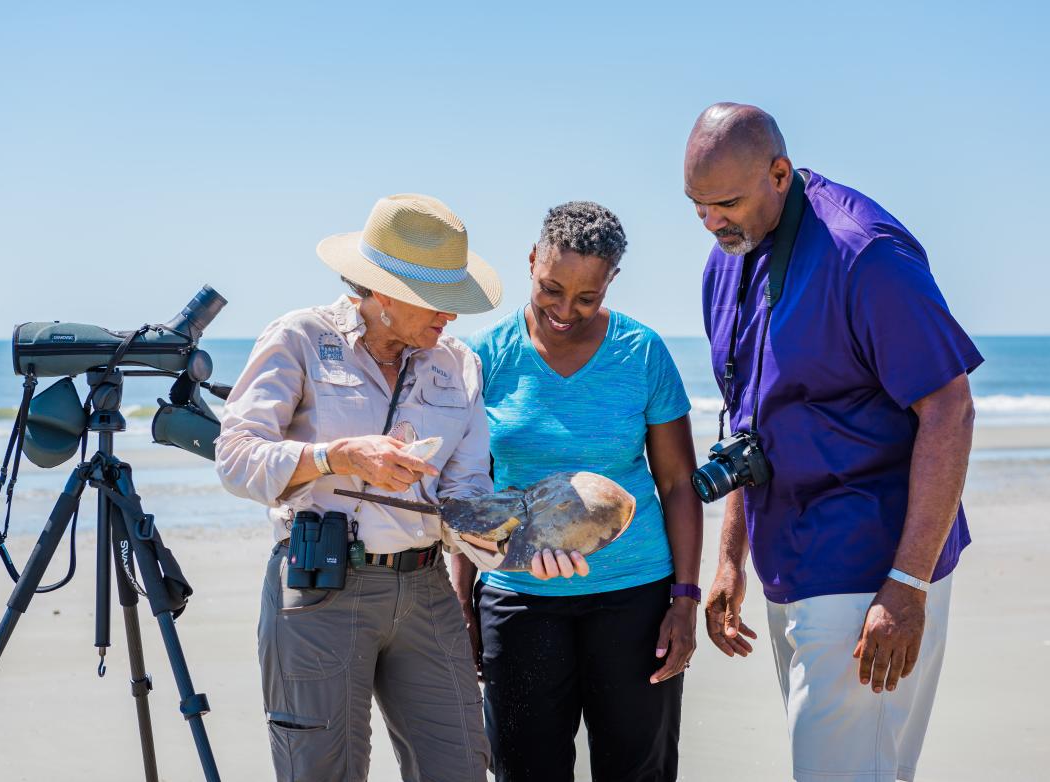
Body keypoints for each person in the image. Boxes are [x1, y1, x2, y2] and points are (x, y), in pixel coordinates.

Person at [215, 193, 584, 782]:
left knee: (462, 766)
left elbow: (465, 498)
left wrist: (520, 550)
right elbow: (234, 458)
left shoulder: (458, 364)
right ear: (382, 291)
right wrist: (334, 456)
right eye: (438, 300)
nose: (452, 317)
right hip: (318, 590)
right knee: (320, 772)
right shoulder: (299, 339)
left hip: (426, 589)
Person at [684, 103, 982, 782]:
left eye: (725, 202)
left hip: (870, 575)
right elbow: (748, 418)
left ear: (780, 173)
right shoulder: (725, 258)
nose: (710, 222)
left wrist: (905, 586)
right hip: (787, 568)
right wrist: (730, 558)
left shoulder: (865, 252)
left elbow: (950, 408)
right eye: (696, 205)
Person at [453, 201, 705, 781]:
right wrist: (461, 602)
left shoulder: (642, 353)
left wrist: (685, 599)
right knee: (523, 771)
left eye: (587, 297)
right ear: (532, 260)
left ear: (611, 281)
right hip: (516, 599)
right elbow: (472, 494)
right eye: (551, 288)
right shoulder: (483, 358)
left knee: (637, 772)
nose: (567, 310)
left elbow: (677, 484)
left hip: (635, 596)